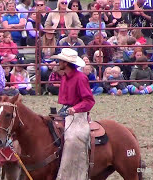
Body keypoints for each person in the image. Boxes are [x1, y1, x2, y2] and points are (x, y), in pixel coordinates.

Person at [50, 48, 95, 180]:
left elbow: (89, 100)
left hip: (78, 114)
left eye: (60, 60)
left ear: (66, 63)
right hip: (64, 111)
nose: (58, 62)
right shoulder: (65, 76)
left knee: (72, 139)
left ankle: (75, 174)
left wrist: (75, 108)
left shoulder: (81, 78)